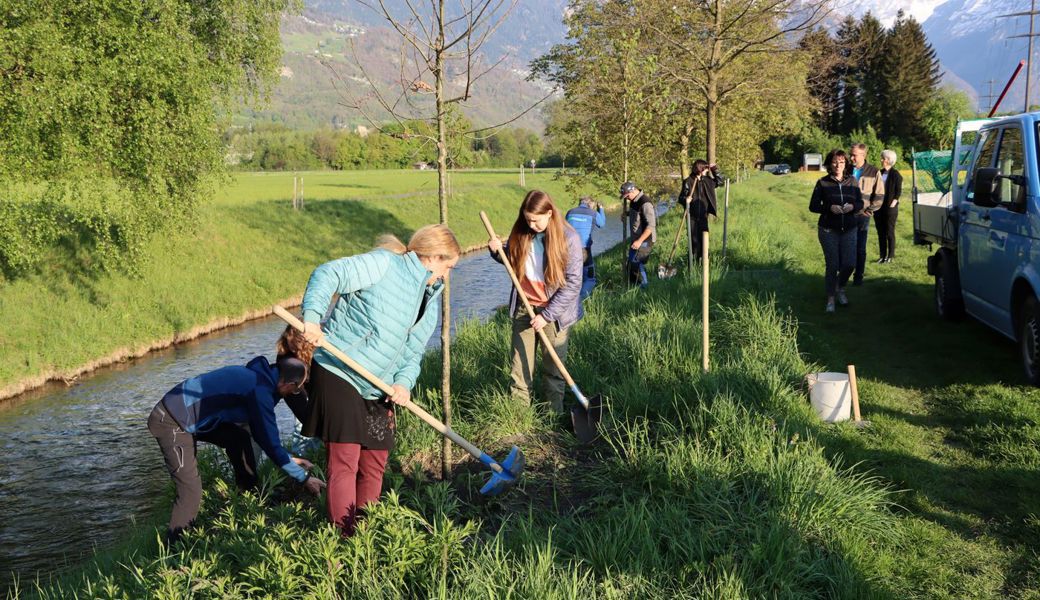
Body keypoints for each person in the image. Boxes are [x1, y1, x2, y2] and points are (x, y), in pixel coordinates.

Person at [299, 225, 460, 536]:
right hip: (339, 370)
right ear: (432, 256)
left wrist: (403, 384)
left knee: (375, 461)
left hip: (379, 384)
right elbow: (327, 273)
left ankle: (367, 536)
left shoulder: (430, 298)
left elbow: (413, 353)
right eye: (447, 266)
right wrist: (312, 316)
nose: (446, 275)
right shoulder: (383, 264)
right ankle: (344, 540)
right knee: (345, 461)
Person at [147, 354, 326, 543]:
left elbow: (262, 436)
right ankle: (174, 548)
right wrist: (304, 477)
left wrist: (291, 460)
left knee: (239, 439)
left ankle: (248, 497)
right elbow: (270, 443)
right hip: (172, 421)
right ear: (288, 384)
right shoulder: (259, 391)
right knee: (191, 490)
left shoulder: (261, 377)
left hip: (193, 416)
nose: (294, 393)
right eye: (297, 389)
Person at [488, 190, 583, 414]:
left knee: (553, 368)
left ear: (549, 213)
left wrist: (546, 316)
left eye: (536, 220)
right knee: (519, 368)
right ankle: (520, 416)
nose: (531, 225)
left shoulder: (569, 239)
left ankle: (554, 415)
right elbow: (512, 262)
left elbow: (573, 283)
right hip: (524, 307)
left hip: (554, 312)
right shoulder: (522, 233)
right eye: (527, 219)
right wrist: (496, 252)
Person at [809, 149, 863, 313]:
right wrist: (829, 208)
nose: (838, 165)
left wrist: (853, 206)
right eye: (834, 162)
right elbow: (813, 206)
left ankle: (840, 287)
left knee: (849, 264)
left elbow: (860, 203)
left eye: (841, 162)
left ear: (845, 164)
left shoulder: (853, 182)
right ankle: (831, 298)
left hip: (849, 228)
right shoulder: (822, 183)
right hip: (828, 230)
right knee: (832, 265)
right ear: (829, 164)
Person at [844, 142, 884, 286]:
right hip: (845, 215)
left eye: (854, 155)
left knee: (860, 247)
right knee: (845, 246)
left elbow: (879, 194)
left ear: (863, 155)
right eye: (851, 154)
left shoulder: (873, 171)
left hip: (862, 216)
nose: (851, 158)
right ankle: (843, 275)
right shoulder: (845, 169)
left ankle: (858, 277)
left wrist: (869, 210)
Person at [678, 159, 724, 260]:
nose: (707, 171)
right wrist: (686, 200)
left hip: (704, 216)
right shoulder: (688, 181)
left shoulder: (707, 180)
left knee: (704, 239)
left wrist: (714, 169)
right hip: (692, 216)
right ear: (700, 169)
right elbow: (680, 198)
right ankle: (692, 262)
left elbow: (720, 181)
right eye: (705, 169)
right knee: (693, 241)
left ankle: (704, 262)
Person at [565, 196, 606, 299]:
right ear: (590, 204)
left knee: (571, 276)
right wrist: (600, 209)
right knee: (589, 277)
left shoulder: (570, 212)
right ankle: (580, 301)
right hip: (583, 250)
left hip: (567, 248)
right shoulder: (593, 213)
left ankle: (568, 299)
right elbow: (602, 224)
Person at [620, 181, 656, 288]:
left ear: (633, 190)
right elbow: (637, 214)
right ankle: (633, 287)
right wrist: (626, 214)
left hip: (645, 240)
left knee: (638, 264)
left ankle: (644, 288)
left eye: (627, 196)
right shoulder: (633, 200)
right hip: (636, 239)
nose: (627, 198)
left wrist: (640, 241)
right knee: (631, 264)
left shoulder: (645, 203)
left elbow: (651, 226)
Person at [875, 149, 903, 264]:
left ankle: (890, 256)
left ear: (888, 160)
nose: (881, 160)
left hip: (890, 208)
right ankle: (882, 256)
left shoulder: (896, 174)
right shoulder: (879, 173)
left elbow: (898, 191)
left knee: (889, 232)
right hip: (878, 207)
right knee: (880, 232)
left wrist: (893, 203)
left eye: (883, 158)